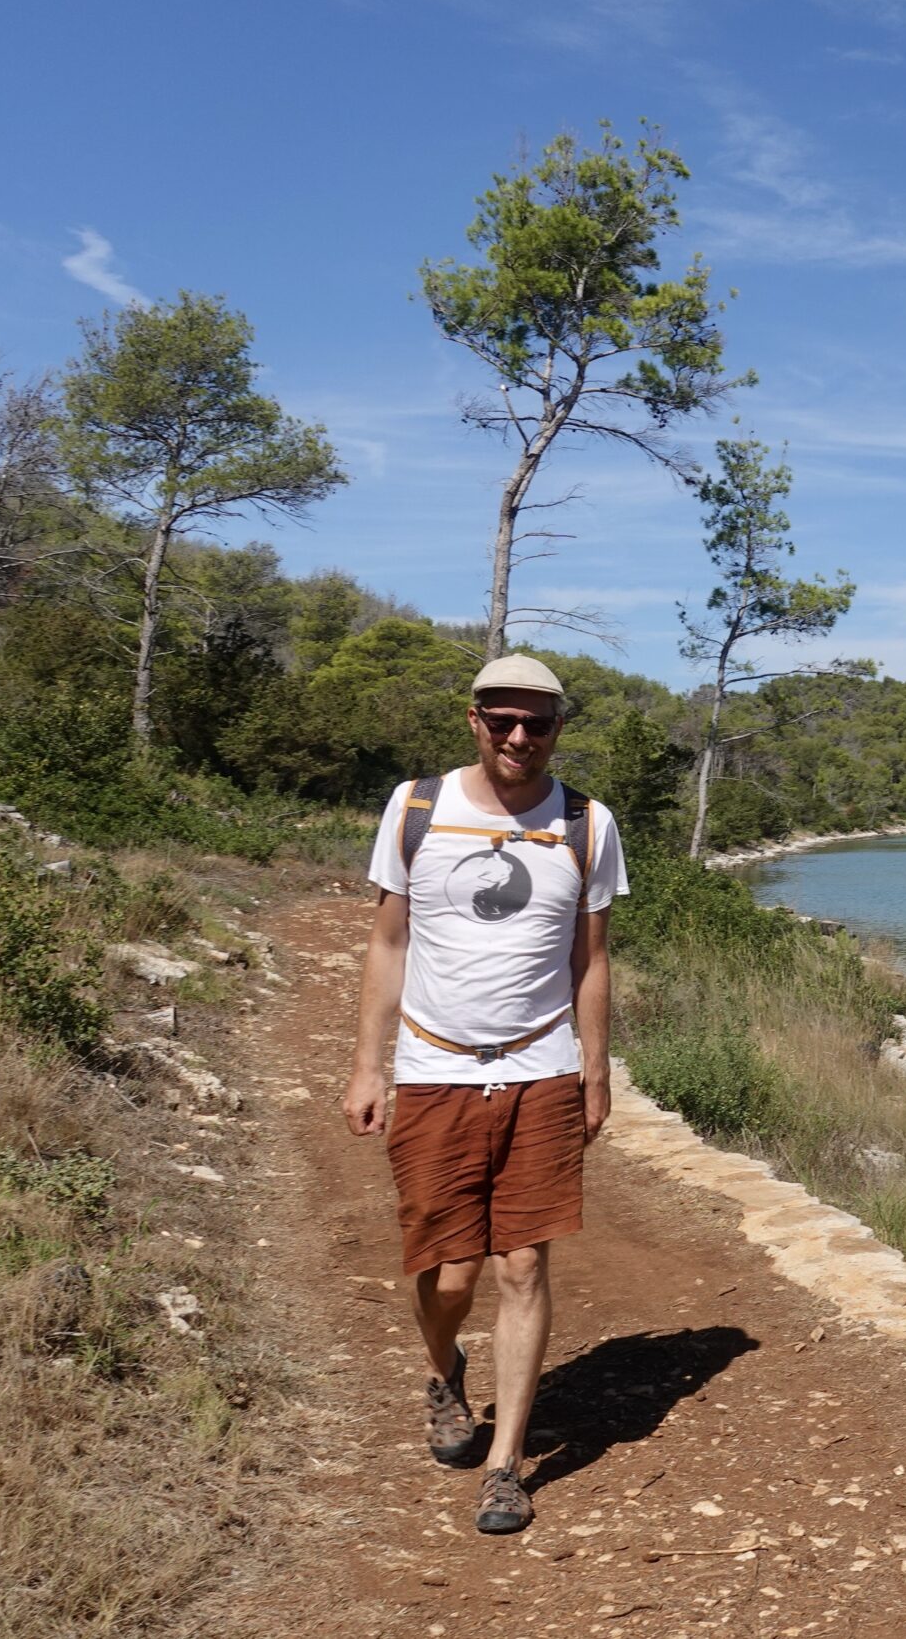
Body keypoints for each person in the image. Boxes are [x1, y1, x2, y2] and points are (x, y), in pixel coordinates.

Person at [342, 654, 628, 1535]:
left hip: (539, 1067)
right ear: (473, 719)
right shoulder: (417, 806)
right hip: (435, 1067)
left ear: (556, 726)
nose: (517, 737)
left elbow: (592, 959)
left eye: (535, 723)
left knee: (523, 1261)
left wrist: (595, 1064)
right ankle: (442, 1369)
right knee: (449, 1271)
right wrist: (367, 1062)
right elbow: (388, 942)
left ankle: (505, 1463)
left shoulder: (587, 823)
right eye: (501, 720)